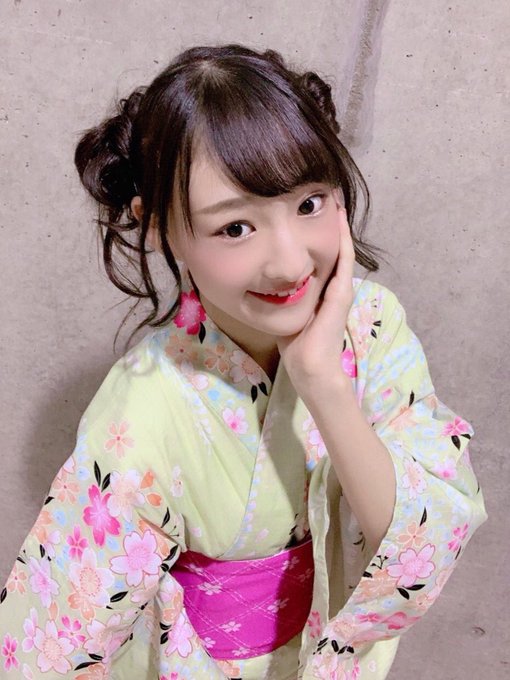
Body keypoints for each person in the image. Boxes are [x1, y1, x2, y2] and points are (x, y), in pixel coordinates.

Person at [0, 44, 486, 680]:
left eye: (309, 204)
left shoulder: (372, 325)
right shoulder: (142, 411)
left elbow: (428, 542)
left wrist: (322, 382)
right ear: (157, 225)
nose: (290, 262)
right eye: (235, 228)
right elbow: (51, 647)